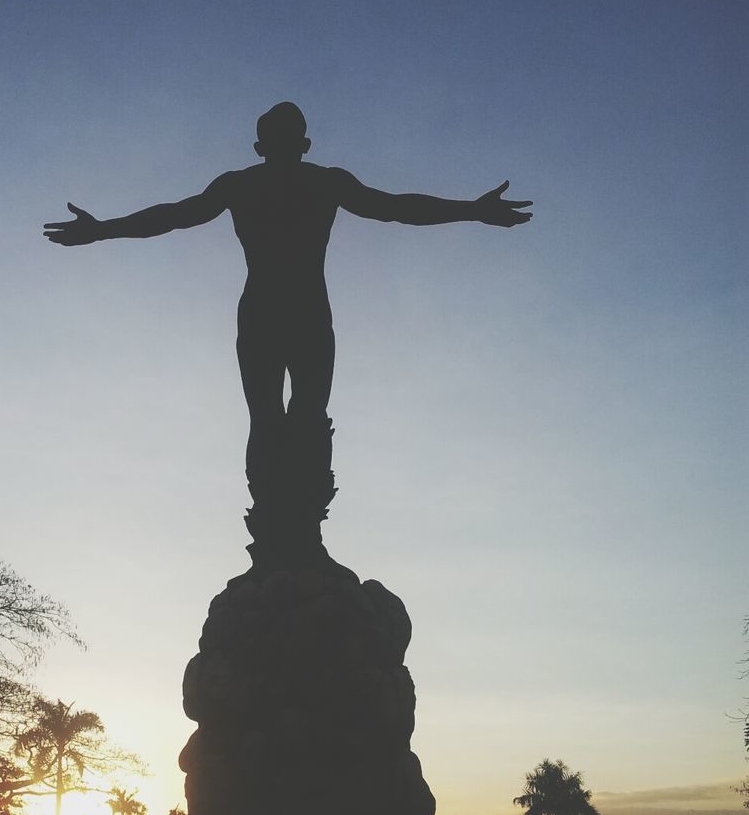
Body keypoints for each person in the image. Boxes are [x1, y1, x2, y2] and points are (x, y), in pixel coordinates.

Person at [44, 103, 532, 543]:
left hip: (274, 313)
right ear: (300, 145)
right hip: (295, 312)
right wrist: (472, 210)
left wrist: (103, 230)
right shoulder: (310, 183)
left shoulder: (260, 184)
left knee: (289, 416)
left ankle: (293, 530)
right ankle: (284, 530)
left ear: (267, 147)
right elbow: (397, 208)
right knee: (290, 416)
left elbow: (174, 216)